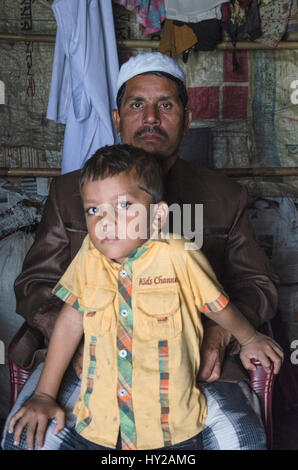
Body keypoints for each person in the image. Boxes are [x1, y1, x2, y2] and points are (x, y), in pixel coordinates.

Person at [2, 52, 279, 450]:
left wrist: (217, 337)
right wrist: (89, 342)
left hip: (192, 365)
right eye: (136, 105)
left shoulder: (224, 197)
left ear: (186, 119)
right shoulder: (70, 192)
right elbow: (35, 284)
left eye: (165, 105)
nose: (150, 117)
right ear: (117, 119)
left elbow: (257, 282)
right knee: (25, 438)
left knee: (243, 440)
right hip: (84, 360)